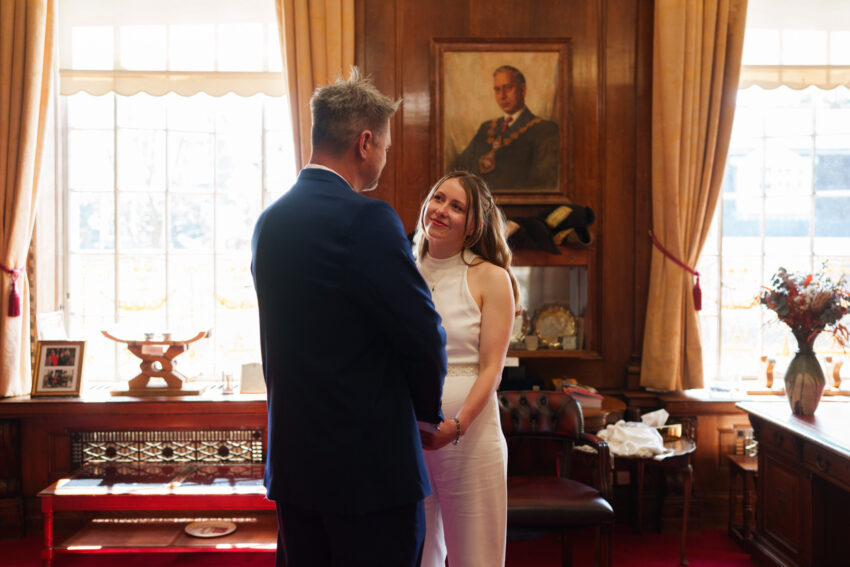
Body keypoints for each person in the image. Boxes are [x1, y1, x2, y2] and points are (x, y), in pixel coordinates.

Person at [251, 68, 447, 567]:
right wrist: (427, 414)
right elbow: (422, 334)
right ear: (364, 142)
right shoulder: (368, 219)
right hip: (369, 474)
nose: (384, 156)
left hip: (296, 465)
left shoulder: (269, 223)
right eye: (384, 145)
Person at [412, 170, 519, 566]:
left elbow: (492, 368)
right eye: (437, 198)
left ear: (473, 226)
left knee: (474, 555)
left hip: (469, 438)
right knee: (417, 550)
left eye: (456, 206)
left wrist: (456, 426)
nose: (441, 210)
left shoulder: (491, 277)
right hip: (409, 437)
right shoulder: (403, 271)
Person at [453, 65, 559, 190]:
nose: (502, 96)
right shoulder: (486, 128)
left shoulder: (544, 129)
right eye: (497, 90)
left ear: (523, 90)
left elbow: (543, 181)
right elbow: (461, 166)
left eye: (508, 88)